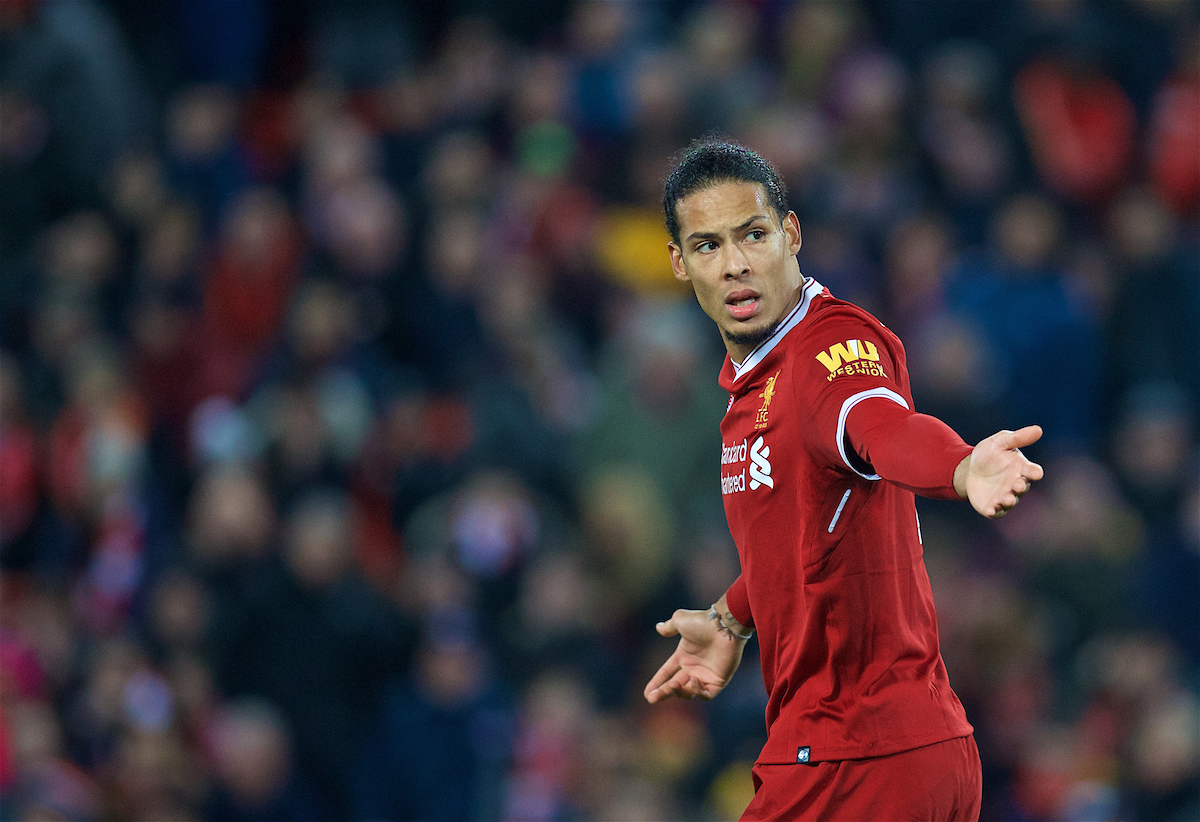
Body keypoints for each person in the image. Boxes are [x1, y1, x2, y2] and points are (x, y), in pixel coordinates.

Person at [643, 139, 1044, 821]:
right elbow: (809, 529)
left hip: (854, 760)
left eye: (754, 235)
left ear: (791, 233)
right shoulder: (759, 380)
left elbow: (882, 426)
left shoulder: (829, 351)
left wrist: (959, 465)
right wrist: (734, 618)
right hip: (898, 751)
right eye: (708, 246)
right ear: (680, 264)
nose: (737, 264)